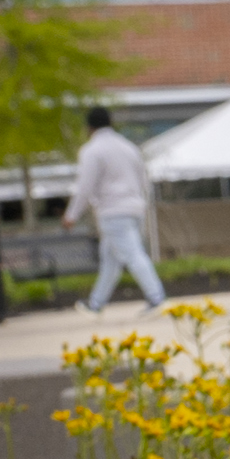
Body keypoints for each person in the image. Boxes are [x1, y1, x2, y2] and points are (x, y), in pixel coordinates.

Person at [68, 103, 164, 311]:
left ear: (89, 128)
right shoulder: (128, 147)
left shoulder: (92, 151)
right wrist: (141, 203)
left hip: (112, 211)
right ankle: (96, 303)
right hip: (135, 207)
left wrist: (72, 214)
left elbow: (84, 187)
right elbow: (143, 178)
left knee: (133, 254)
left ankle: (157, 297)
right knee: (110, 259)